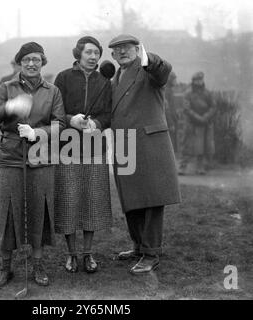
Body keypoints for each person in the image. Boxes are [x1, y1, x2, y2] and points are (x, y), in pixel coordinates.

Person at [0, 42, 66, 288]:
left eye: (37, 60)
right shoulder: (6, 88)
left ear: (43, 63)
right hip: (9, 157)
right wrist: (9, 107)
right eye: (27, 59)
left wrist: (37, 132)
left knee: (39, 211)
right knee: (8, 211)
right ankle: (5, 268)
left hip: (41, 157)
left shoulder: (53, 91)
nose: (31, 64)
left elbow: (60, 124)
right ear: (20, 62)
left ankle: (38, 265)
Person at [109, 34, 181, 274]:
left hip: (149, 144)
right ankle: (139, 247)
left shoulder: (148, 70)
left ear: (138, 49)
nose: (121, 52)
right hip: (124, 145)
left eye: (127, 48)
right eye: (117, 50)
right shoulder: (114, 78)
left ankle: (151, 253)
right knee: (132, 200)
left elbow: (163, 70)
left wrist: (148, 58)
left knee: (151, 200)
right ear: (112, 55)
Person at [54, 36, 112, 274]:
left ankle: (87, 254)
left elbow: (110, 113)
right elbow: (54, 109)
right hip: (67, 147)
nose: (93, 57)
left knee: (92, 201)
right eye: (89, 52)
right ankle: (71, 254)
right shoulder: (64, 77)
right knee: (69, 201)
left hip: (94, 148)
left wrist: (96, 123)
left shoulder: (105, 81)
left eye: (97, 53)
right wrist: (71, 120)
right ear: (78, 54)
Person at [179, 72, 216, 175]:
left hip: (203, 123)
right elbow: (186, 108)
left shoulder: (207, 93)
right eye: (197, 80)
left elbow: (213, 106)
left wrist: (205, 117)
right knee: (186, 145)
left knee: (202, 146)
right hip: (190, 123)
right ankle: (182, 167)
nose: (199, 82)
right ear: (193, 81)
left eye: (201, 80)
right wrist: (198, 117)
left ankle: (200, 167)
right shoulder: (188, 93)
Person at [165, 71, 179, 154]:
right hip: (169, 121)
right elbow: (166, 109)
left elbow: (172, 107)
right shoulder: (167, 91)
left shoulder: (169, 90)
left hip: (172, 120)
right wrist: (171, 123)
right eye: (174, 79)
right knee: (170, 143)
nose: (175, 81)